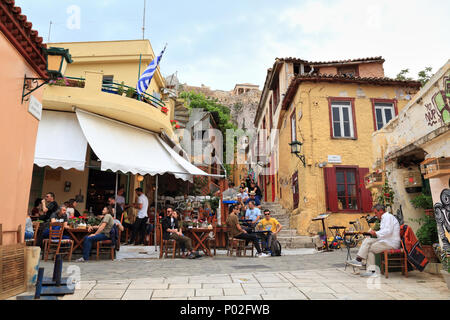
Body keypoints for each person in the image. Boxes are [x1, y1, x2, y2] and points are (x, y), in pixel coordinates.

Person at [348, 204, 401, 277]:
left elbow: (388, 231)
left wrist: (375, 233)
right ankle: (359, 260)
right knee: (367, 241)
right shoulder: (384, 218)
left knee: (370, 248)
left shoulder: (388, 217)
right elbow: (384, 233)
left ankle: (369, 269)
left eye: (376, 213)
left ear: (381, 211)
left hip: (391, 243)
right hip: (386, 240)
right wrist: (374, 234)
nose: (375, 215)